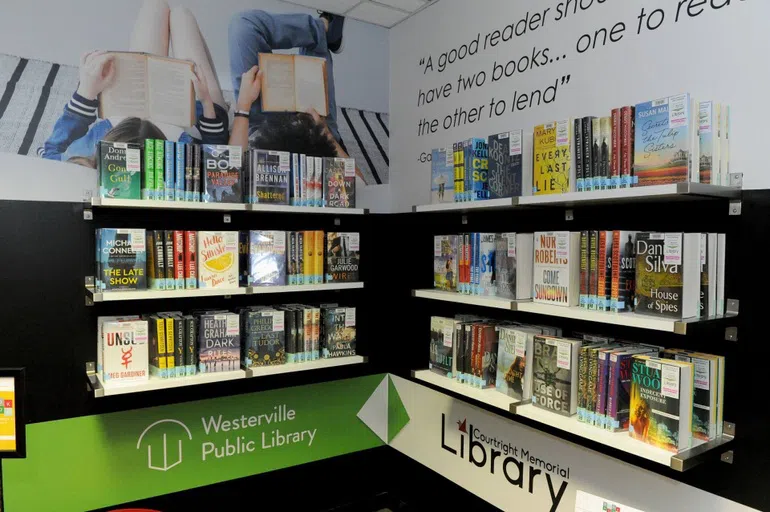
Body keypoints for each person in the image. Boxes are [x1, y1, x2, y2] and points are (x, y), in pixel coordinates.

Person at [39, 0, 229, 165]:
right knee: (181, 16)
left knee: (156, 6)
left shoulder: (92, 149)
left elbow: (49, 154)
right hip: (196, 115)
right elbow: (217, 154)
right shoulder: (181, 157)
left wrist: (86, 93)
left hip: (128, 105)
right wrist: (206, 103)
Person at [228, 9, 365, 181]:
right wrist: (323, 131)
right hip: (316, 133)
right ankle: (322, 30)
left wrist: (243, 106)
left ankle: (321, 30)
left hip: (262, 131)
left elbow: (231, 175)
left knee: (244, 25)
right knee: (314, 56)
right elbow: (361, 187)